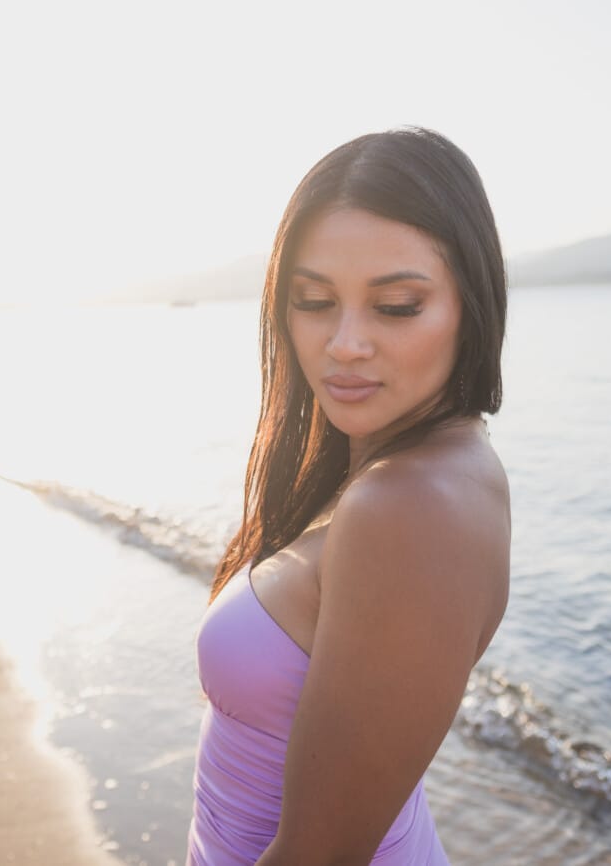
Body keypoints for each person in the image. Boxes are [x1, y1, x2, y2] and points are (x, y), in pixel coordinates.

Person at [187, 128, 511, 865]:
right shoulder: (423, 461)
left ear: (471, 304)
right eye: (313, 300)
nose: (344, 343)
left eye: (396, 305)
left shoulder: (408, 504)